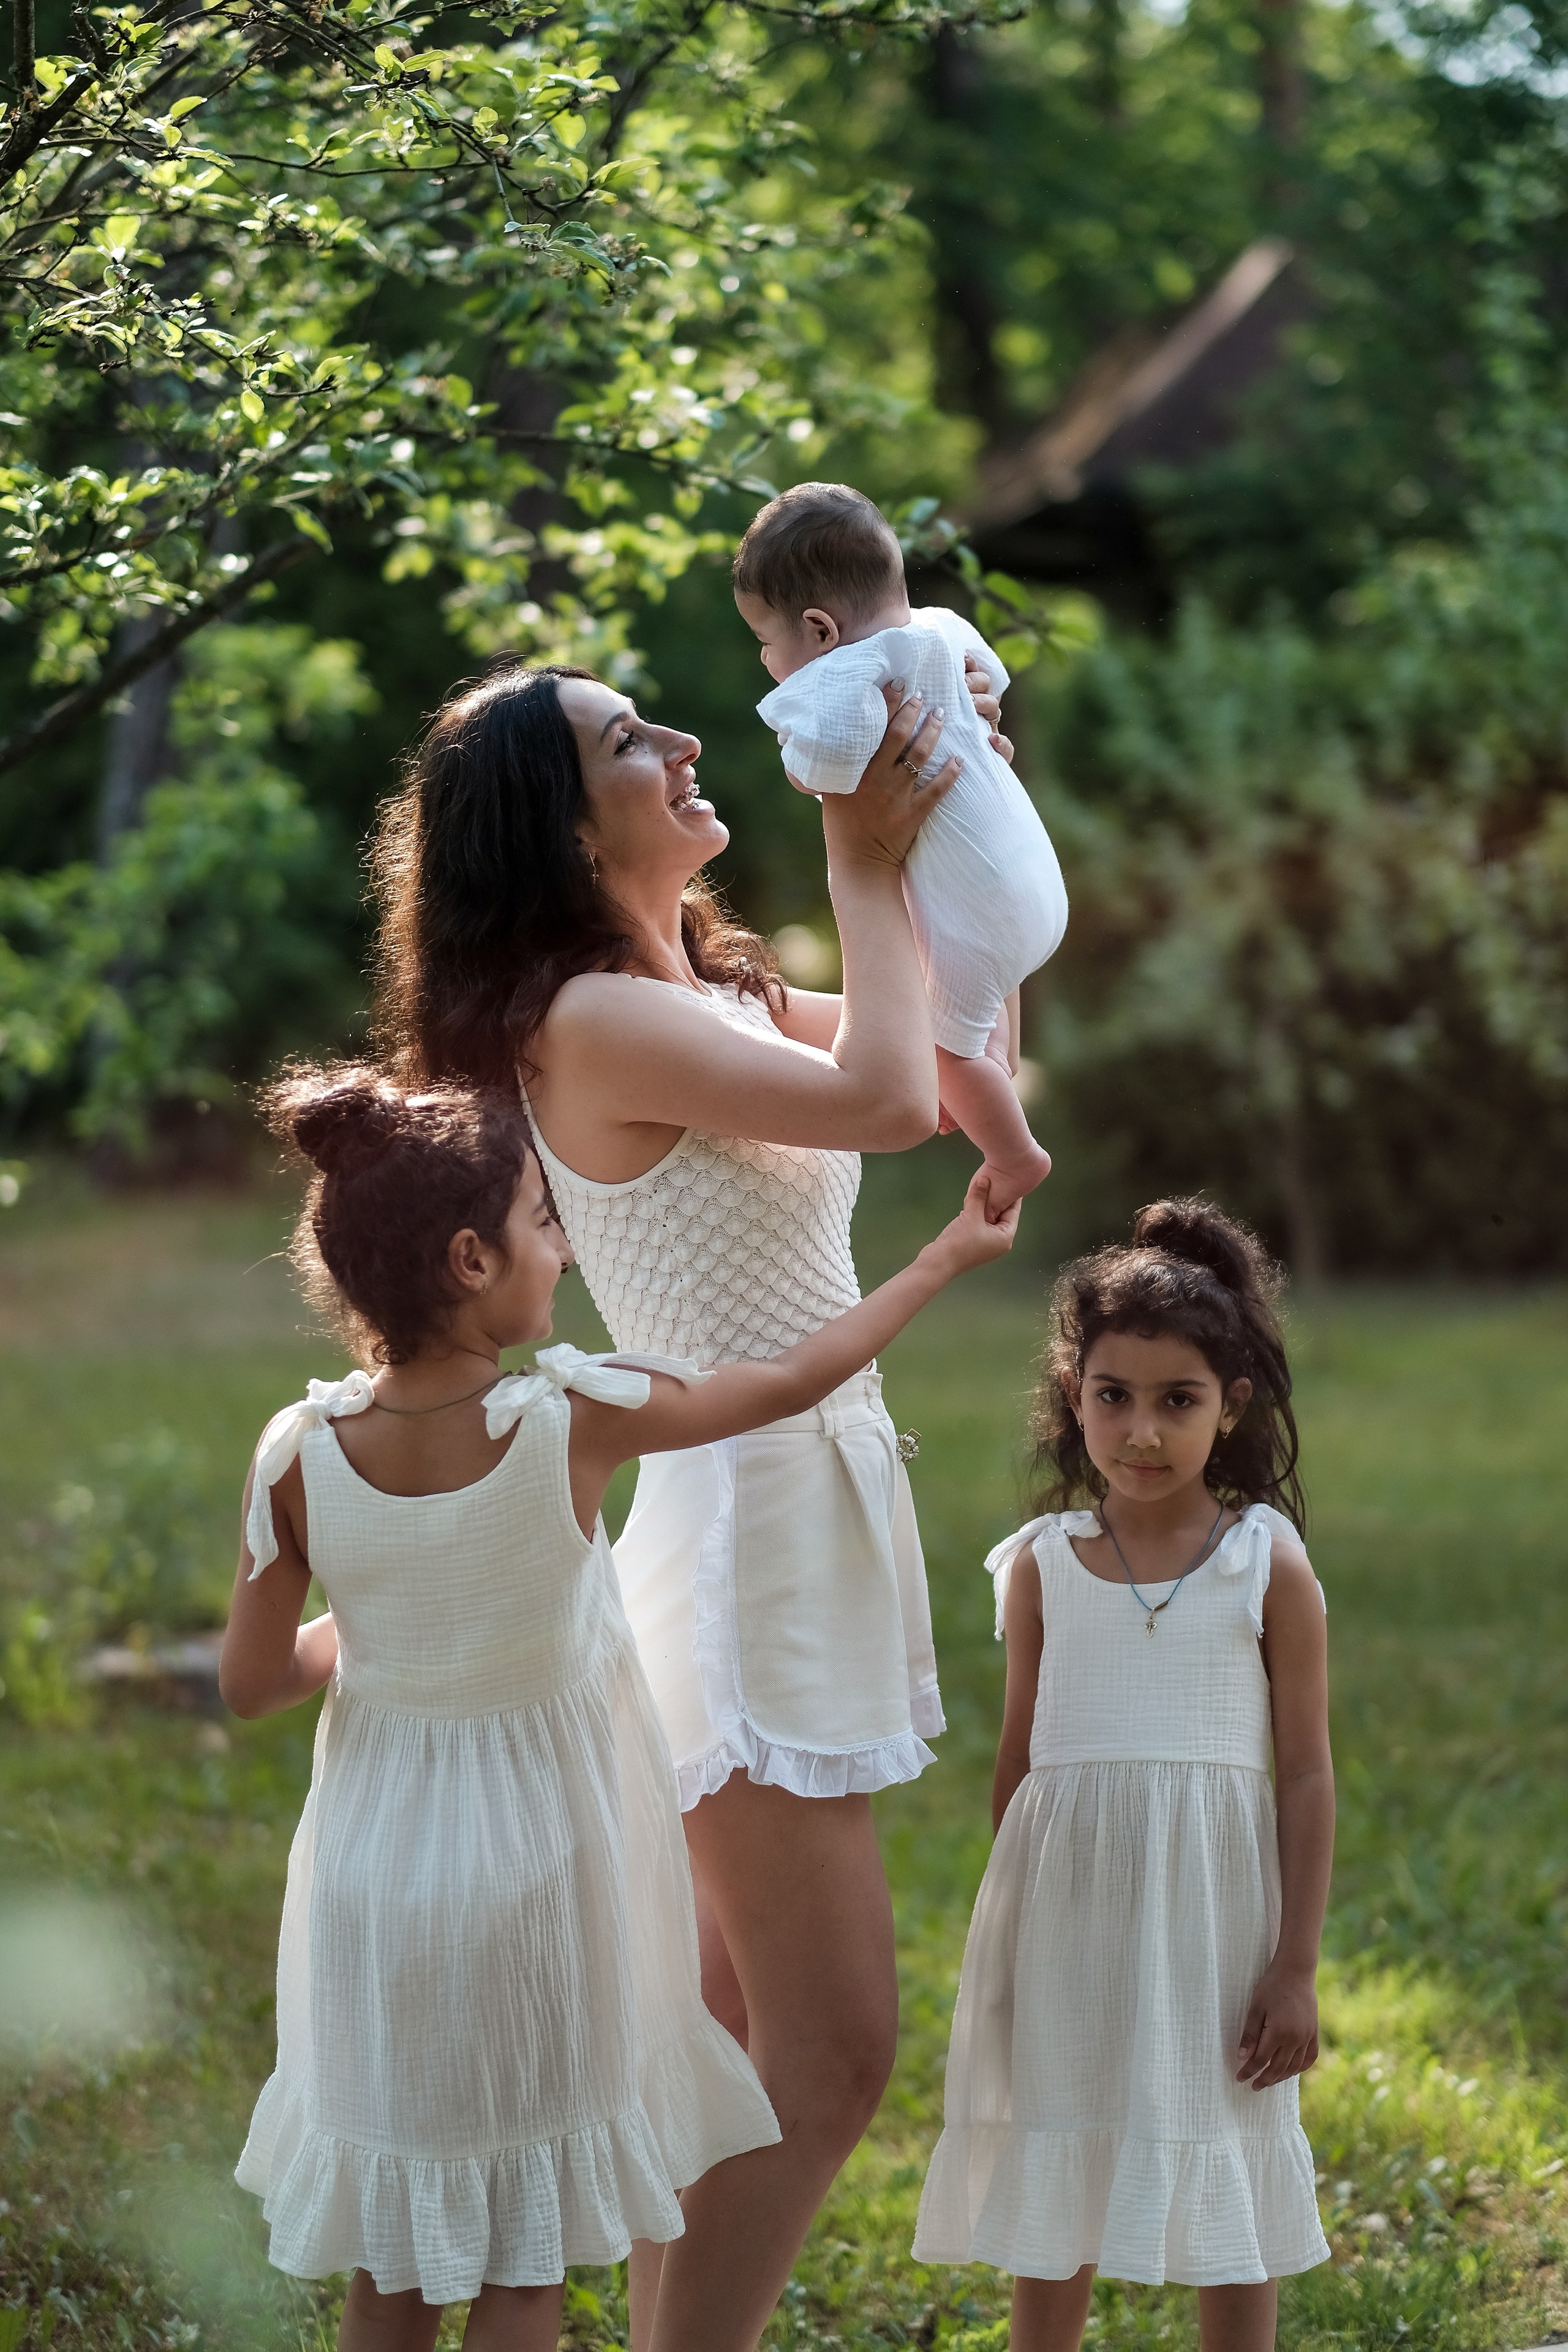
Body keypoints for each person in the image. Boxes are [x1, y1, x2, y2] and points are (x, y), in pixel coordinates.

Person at [368, 652, 1009, 2352]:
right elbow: (886, 1101)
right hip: (742, 1542)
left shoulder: (698, 990)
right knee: (831, 2050)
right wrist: (863, 862)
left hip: (794, 1515)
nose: (682, 742)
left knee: (729, 2062)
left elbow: (950, 1068)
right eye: (627, 743)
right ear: (566, 834)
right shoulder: (591, 1018)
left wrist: (961, 820)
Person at [221, 1063, 1017, 2352]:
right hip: (543, 1870)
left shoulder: (297, 1450)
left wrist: (387, 1623)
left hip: (375, 1881)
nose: (566, 1248)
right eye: (546, 1222)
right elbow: (782, 1381)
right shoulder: (573, 1422)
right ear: (472, 1259)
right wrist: (934, 1264)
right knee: (524, 2262)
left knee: (396, 2264)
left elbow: (255, 1683)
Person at [914, 1198, 1333, 2352]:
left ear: (1230, 1407)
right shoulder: (1043, 1566)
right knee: (1062, 2148)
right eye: (1113, 1397)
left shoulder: (1265, 1562)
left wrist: (1294, 1963)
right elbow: (1019, 1764)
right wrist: (1007, 1942)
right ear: (1073, 1395)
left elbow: (1304, 1775)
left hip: (1213, 1921)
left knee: (1226, 2158)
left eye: (1177, 1402)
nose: (1141, 1432)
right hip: (1071, 1919)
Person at [733, 480, 1068, 1214]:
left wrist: (799, 768)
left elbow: (828, 760)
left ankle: (1016, 1155)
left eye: (767, 642)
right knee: (959, 1018)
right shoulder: (942, 628)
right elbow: (995, 678)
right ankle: (974, 1074)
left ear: (820, 630)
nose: (766, 661)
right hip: (1030, 880)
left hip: (984, 905)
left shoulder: (851, 670)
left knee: (949, 1049)